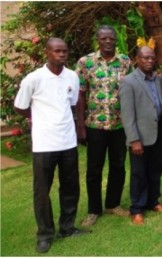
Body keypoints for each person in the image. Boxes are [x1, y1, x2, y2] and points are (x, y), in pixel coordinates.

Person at [14, 38, 90, 253]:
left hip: (67, 141)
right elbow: (20, 107)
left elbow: (74, 104)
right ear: (47, 52)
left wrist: (79, 129)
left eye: (64, 51)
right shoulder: (34, 79)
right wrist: (36, 117)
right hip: (44, 143)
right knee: (42, 191)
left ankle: (67, 227)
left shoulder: (72, 77)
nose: (62, 54)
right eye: (57, 51)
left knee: (70, 187)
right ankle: (45, 234)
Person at [76, 25, 132, 227]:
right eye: (103, 38)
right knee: (94, 169)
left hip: (120, 125)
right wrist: (80, 126)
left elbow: (132, 89)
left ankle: (113, 203)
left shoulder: (125, 62)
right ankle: (93, 210)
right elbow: (80, 94)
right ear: (97, 40)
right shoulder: (86, 62)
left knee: (118, 166)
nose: (108, 41)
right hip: (95, 125)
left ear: (115, 39)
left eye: (111, 38)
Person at [119, 46, 162, 225]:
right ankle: (137, 209)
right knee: (139, 174)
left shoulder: (158, 80)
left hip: (158, 135)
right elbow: (127, 114)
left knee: (155, 171)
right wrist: (134, 140)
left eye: (152, 58)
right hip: (140, 138)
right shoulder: (129, 82)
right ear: (137, 59)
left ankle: (153, 202)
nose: (149, 61)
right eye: (145, 58)